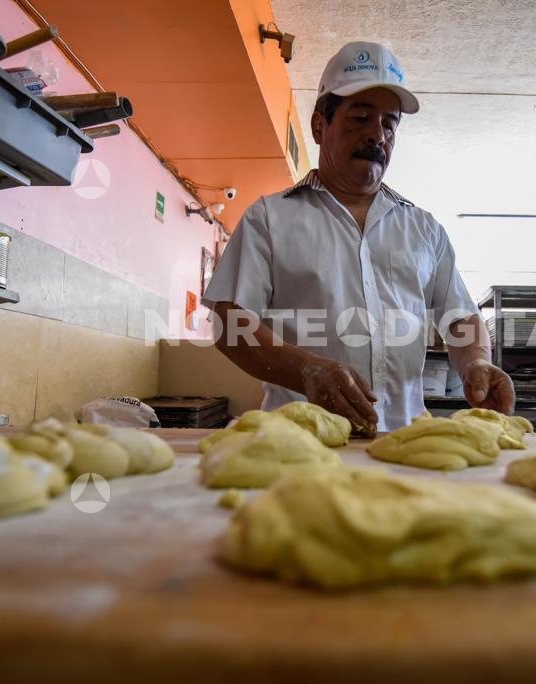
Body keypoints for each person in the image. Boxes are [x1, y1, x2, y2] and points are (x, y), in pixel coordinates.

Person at [203, 41, 514, 434]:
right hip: (300, 444)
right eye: (360, 118)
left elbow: (462, 318)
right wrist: (306, 370)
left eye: (389, 124)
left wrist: (475, 363)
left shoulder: (424, 229)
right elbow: (232, 327)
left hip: (404, 443)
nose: (377, 135)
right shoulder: (269, 218)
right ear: (320, 126)